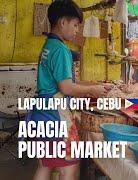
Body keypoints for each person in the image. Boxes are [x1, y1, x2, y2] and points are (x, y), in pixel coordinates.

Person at [30, 1, 110, 180]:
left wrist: (92, 85)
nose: (76, 30)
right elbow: (65, 87)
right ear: (62, 22)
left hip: (42, 114)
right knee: (70, 167)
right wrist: (92, 91)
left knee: (45, 166)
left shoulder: (49, 45)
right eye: (75, 25)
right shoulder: (61, 50)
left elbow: (61, 81)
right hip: (55, 117)